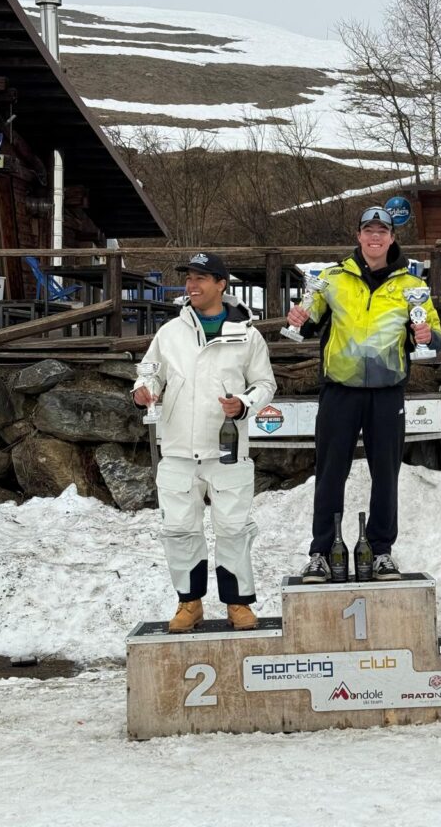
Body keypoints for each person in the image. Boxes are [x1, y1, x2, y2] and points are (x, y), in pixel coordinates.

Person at [287, 206, 441, 583]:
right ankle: (322, 552)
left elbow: (434, 335)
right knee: (330, 474)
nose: (375, 237)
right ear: (358, 236)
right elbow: (308, 323)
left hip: (387, 393)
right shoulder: (332, 278)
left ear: (392, 238)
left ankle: (381, 551)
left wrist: (426, 336)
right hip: (339, 390)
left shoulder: (411, 285)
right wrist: (299, 319)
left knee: (386, 475)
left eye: (382, 231)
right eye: (368, 230)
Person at [133, 251, 276, 633]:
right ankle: (189, 603)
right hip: (178, 450)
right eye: (189, 278)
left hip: (227, 451)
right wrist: (144, 389)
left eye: (200, 278)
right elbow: (149, 373)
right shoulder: (169, 333)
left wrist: (243, 403)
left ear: (221, 285)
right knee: (180, 531)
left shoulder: (248, 334)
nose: (191, 285)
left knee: (233, 530)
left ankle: (238, 604)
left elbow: (265, 384)